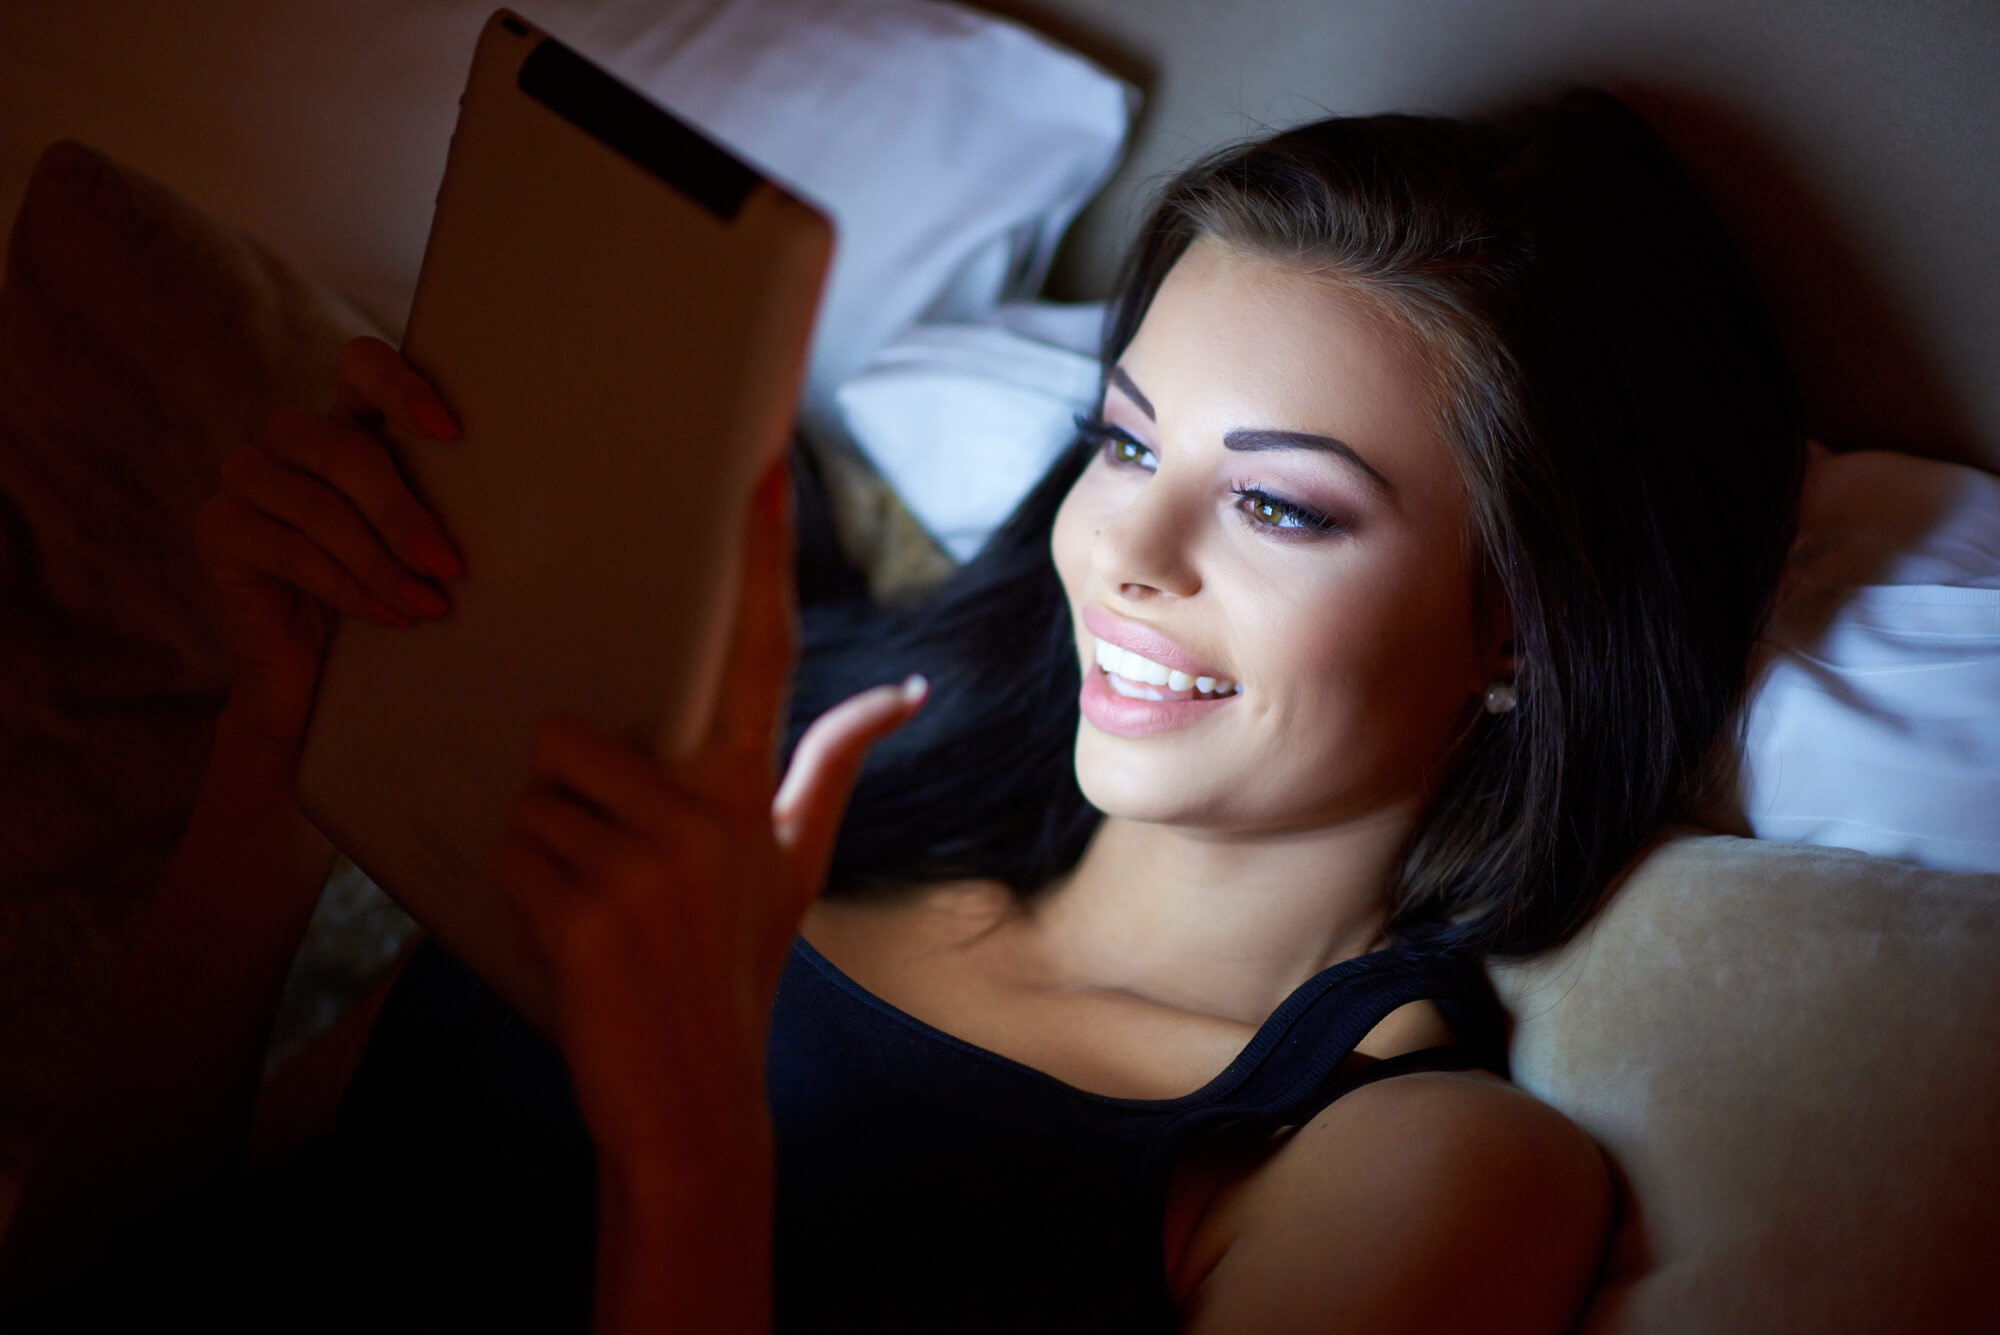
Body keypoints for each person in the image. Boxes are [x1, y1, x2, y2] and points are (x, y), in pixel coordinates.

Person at [0, 87, 1802, 1333]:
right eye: (1125, 442)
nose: (1126, 550)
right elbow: (116, 1265)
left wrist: (696, 1145)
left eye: (1280, 504)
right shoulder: (772, 803)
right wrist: (274, 766)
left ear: (1530, 631)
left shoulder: (1408, 1165)